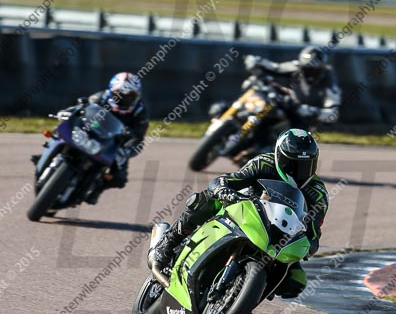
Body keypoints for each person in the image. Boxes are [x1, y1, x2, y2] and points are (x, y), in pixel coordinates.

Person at [152, 128, 328, 298]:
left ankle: (247, 293)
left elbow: (313, 232)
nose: (298, 171)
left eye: (306, 165)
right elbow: (228, 180)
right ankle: (169, 241)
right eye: (292, 164)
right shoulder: (264, 163)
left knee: (296, 281)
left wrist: (308, 246)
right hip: (244, 209)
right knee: (206, 200)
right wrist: (223, 190)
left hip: (280, 234)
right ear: (279, 156)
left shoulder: (318, 193)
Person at [84, 72, 148, 202]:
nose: (124, 99)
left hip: (114, 144)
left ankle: (97, 188)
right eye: (120, 95)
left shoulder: (140, 111)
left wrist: (126, 150)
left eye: (129, 96)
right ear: (111, 91)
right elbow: (81, 112)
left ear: (137, 96)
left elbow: (138, 136)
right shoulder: (99, 98)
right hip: (91, 134)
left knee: (119, 179)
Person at [244, 45, 341, 128]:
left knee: (298, 138)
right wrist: (257, 61)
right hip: (286, 105)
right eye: (307, 69)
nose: (309, 73)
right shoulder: (296, 67)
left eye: (314, 70)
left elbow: (333, 114)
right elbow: (275, 67)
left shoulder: (329, 80)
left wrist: (311, 111)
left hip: (302, 120)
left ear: (322, 69)